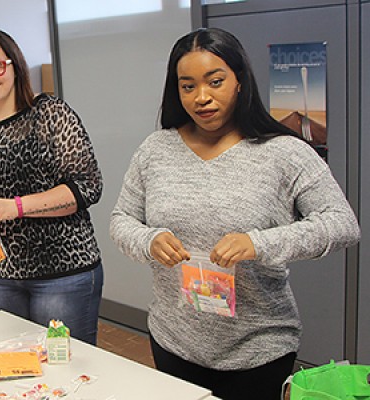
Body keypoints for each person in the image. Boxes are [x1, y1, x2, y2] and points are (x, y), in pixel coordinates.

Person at [109, 28, 360, 400]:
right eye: (188, 86)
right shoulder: (156, 149)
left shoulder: (284, 152)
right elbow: (121, 220)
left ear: (240, 81)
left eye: (215, 81)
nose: (202, 97)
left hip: (257, 347)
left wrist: (258, 243)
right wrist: (148, 239)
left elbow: (342, 224)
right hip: (175, 338)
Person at [0, 29, 103, 345]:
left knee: (68, 370)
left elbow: (87, 187)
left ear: (14, 65)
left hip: (62, 273)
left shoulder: (49, 112)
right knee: (19, 365)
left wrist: (17, 206)